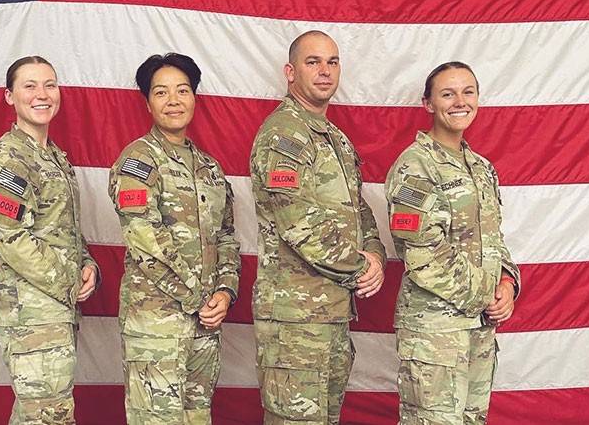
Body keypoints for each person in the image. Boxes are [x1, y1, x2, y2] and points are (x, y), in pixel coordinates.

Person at [250, 30, 386, 424]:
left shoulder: (335, 140)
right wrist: (363, 269)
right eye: (313, 62)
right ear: (290, 72)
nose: (325, 71)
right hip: (294, 323)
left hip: (332, 314)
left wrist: (375, 253)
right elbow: (298, 224)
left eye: (332, 62)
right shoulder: (284, 136)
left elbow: (358, 209)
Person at [108, 53, 241, 424]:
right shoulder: (138, 161)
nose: (174, 100)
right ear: (147, 102)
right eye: (161, 92)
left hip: (205, 323)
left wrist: (225, 292)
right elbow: (146, 242)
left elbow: (226, 236)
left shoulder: (209, 167)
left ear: (194, 97)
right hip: (156, 326)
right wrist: (201, 298)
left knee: (197, 417)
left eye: (183, 90)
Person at [385, 62, 521, 424]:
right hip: (435, 334)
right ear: (428, 103)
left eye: (468, 92)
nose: (460, 101)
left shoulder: (481, 167)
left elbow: (493, 240)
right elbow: (421, 252)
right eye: (448, 94)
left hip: (478, 328)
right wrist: (484, 294)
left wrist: (506, 284)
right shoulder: (416, 166)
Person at [0, 55, 100, 424]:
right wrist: (69, 278)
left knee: (40, 413)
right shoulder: (8, 158)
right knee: (48, 415)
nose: (42, 94)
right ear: (9, 96)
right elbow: (9, 236)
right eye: (29, 86)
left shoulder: (52, 156)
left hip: (51, 306)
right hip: (30, 308)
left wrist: (87, 264)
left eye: (49, 84)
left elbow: (64, 229)